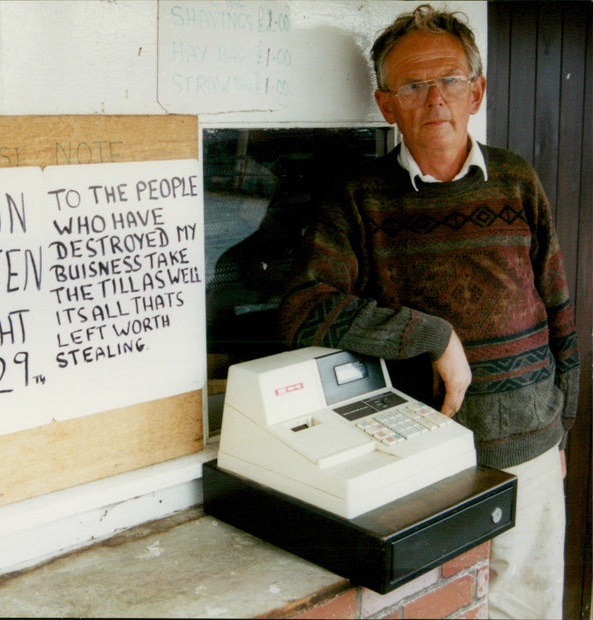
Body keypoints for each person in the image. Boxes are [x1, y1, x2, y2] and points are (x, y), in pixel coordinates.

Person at [278, 5, 580, 619]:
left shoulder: (517, 181)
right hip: (420, 457)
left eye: (449, 80)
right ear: (386, 105)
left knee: (528, 606)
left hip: (532, 448)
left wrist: (562, 426)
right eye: (412, 86)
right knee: (438, 606)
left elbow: (559, 310)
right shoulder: (359, 197)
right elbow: (304, 310)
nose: (434, 98)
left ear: (477, 91)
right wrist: (431, 335)